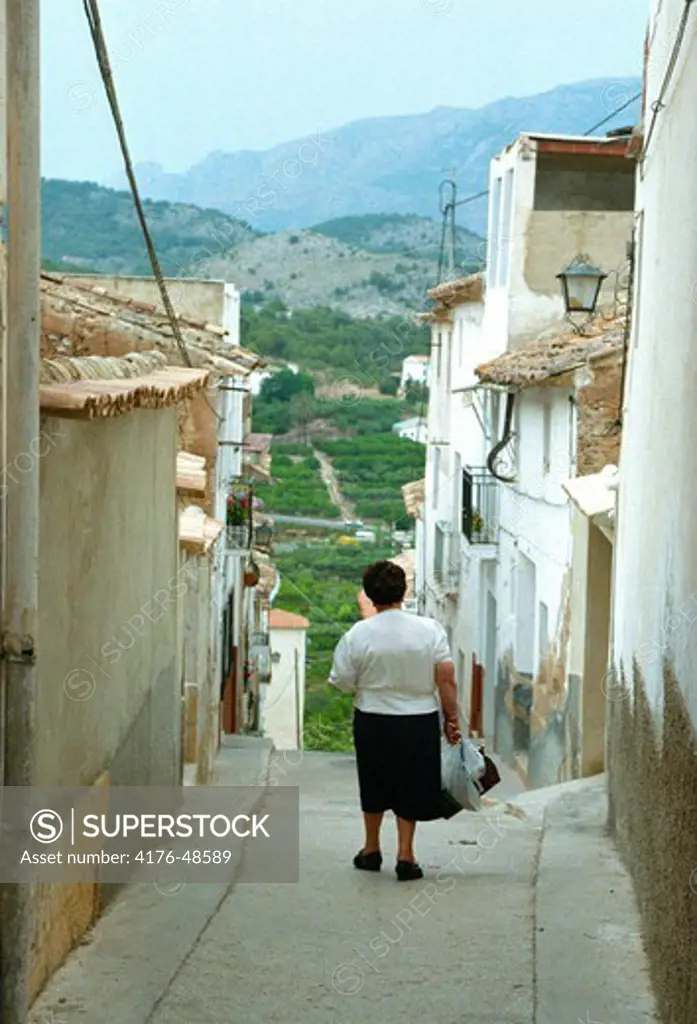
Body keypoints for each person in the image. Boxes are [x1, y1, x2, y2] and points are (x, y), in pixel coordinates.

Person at [329, 560, 461, 882]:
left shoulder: (357, 635)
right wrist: (451, 718)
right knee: (411, 783)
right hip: (419, 718)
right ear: (404, 592)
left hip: (373, 716)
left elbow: (342, 681)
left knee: (373, 780)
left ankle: (371, 849)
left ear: (371, 597)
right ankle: (406, 855)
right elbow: (445, 677)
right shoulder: (430, 630)